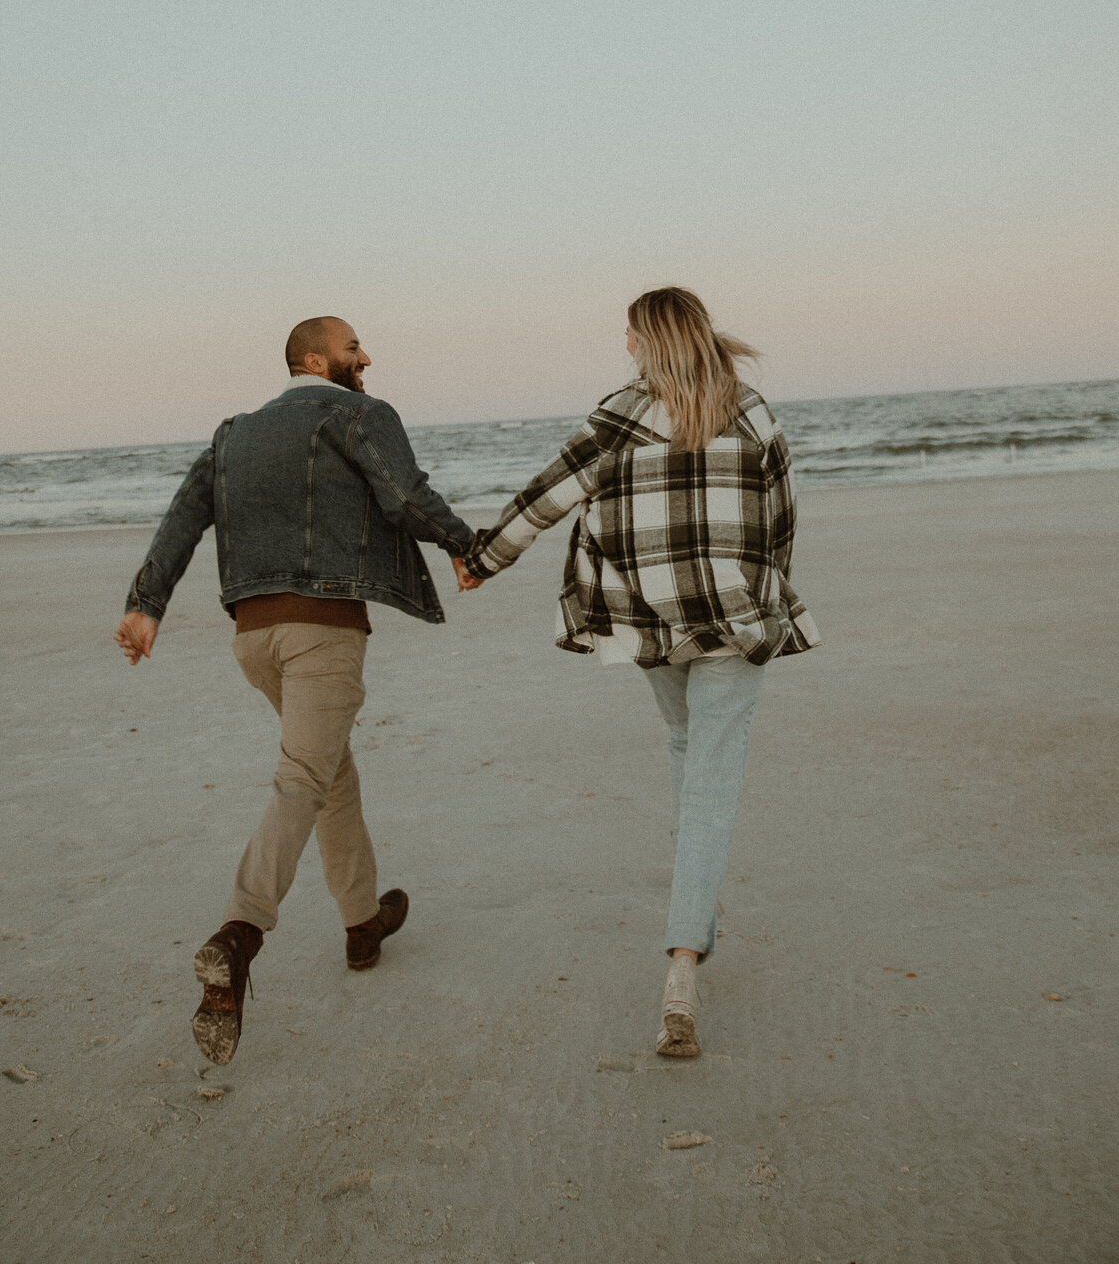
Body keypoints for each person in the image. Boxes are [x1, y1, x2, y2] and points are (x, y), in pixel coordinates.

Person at [460, 287, 819, 1059]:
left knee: (692, 758)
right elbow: (784, 518)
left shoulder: (618, 415)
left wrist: (483, 561)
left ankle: (693, 929)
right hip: (733, 614)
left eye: (629, 336)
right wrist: (761, 594)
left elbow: (546, 497)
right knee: (709, 773)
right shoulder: (752, 410)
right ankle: (684, 966)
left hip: (648, 618)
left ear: (645, 341)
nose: (624, 347)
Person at [113, 316, 479, 1066]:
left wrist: (145, 605)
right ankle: (238, 934)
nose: (366, 357)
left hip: (254, 639)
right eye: (353, 348)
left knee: (330, 773)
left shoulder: (233, 434)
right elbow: (404, 495)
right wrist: (469, 546)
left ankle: (362, 920)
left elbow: (184, 518)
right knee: (305, 777)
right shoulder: (359, 414)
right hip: (322, 631)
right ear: (316, 359)